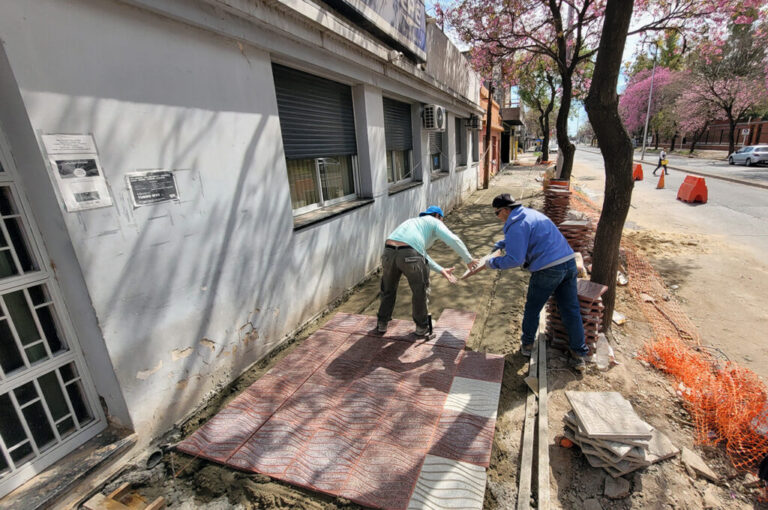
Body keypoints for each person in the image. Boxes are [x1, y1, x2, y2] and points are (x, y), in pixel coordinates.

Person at [468, 194, 589, 370]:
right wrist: (503, 242)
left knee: (533, 308)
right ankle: (579, 354)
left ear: (506, 210)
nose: (497, 217)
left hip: (548, 269)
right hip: (568, 263)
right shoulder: (531, 215)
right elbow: (530, 235)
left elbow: (515, 260)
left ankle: (527, 345)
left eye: (497, 213)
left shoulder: (516, 225)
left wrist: (490, 263)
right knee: (570, 309)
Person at [377, 206, 478, 336]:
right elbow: (452, 239)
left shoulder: (413, 223)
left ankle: (382, 323)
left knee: (388, 289)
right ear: (438, 216)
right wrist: (468, 259)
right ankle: (421, 327)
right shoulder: (434, 221)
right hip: (410, 254)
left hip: (388, 252)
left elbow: (421, 254)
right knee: (420, 290)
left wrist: (441, 270)